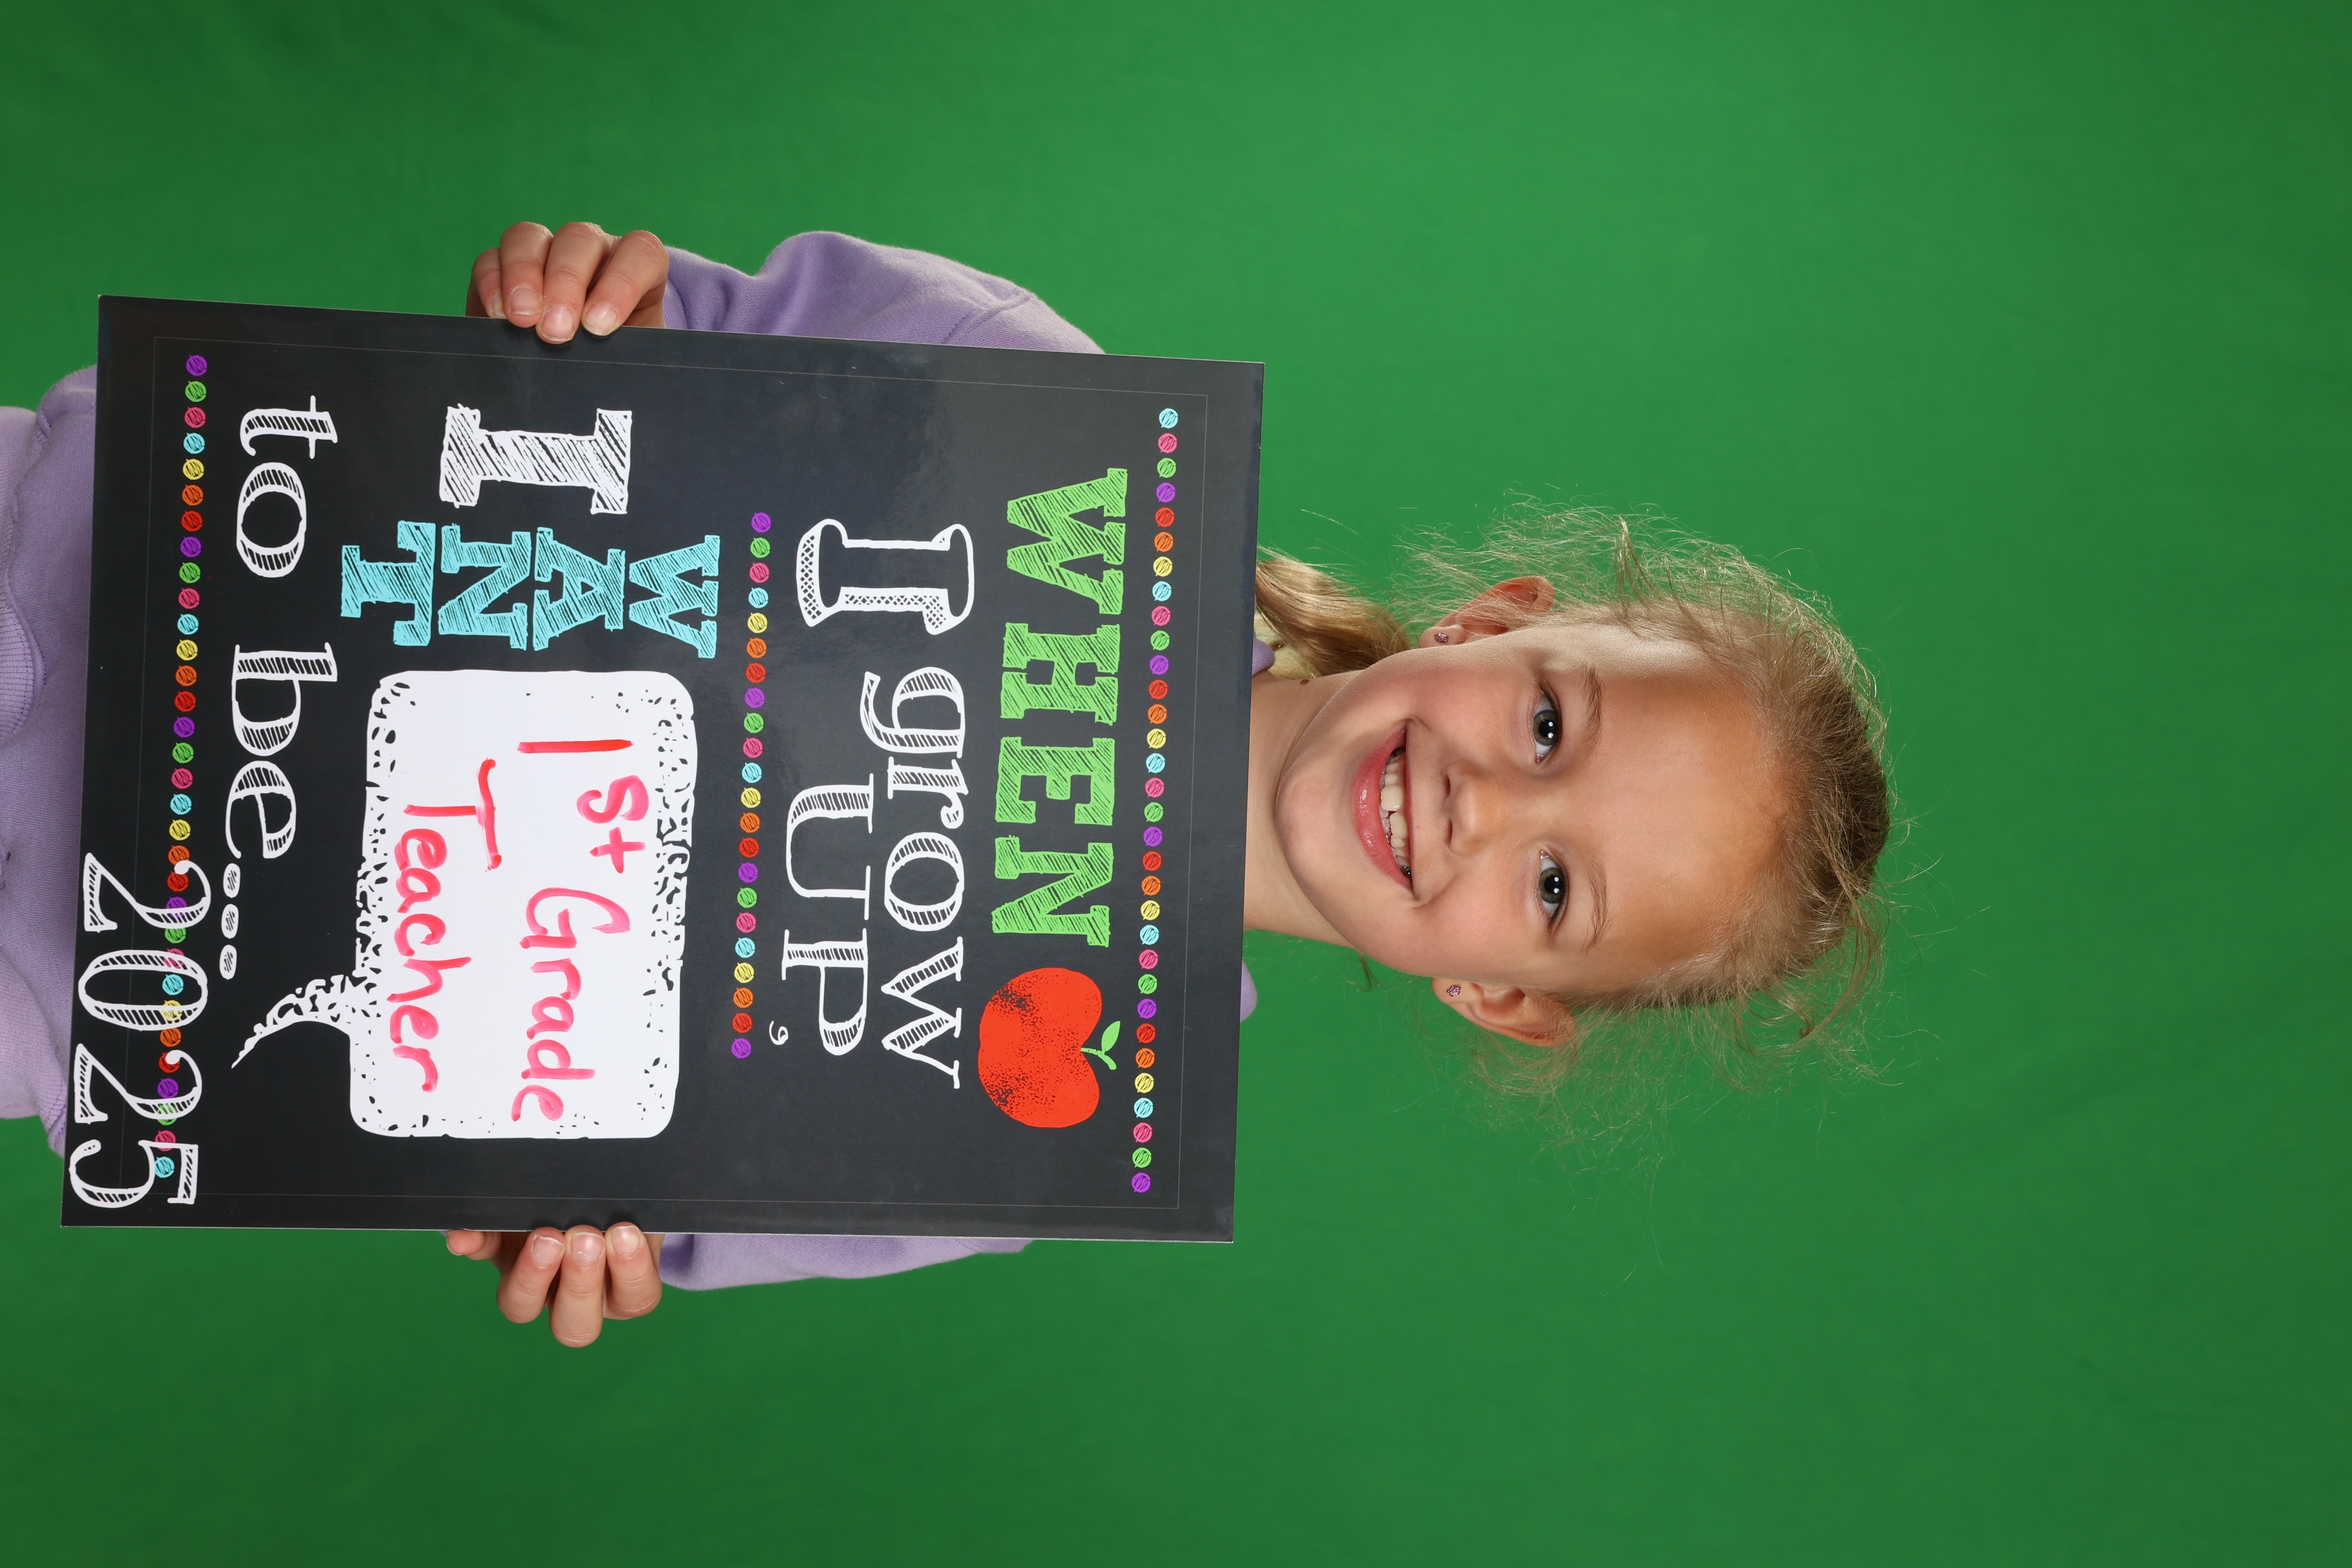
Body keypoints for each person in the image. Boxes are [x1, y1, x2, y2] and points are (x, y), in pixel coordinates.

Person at [0, 223, 1890, 1347]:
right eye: (1550, 727)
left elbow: (620, 1195)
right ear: (1493, 625)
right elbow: (638, 364)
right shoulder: (1026, 402)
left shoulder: (1031, 1132)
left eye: (1555, 891)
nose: (1485, 804)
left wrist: (565, 1226)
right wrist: (592, 321)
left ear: (1496, 991)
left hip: (75, 971)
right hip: (85, 540)